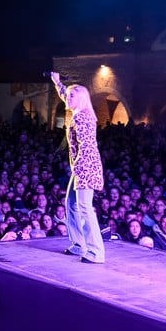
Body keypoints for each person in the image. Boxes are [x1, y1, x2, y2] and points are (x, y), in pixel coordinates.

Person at [51, 72, 105, 264]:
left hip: (85, 167)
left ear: (81, 99)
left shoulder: (83, 118)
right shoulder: (78, 113)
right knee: (71, 204)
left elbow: (87, 147)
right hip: (80, 167)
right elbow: (65, 94)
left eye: (73, 96)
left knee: (84, 208)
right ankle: (79, 244)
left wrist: (80, 171)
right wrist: (57, 81)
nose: (68, 98)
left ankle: (96, 251)